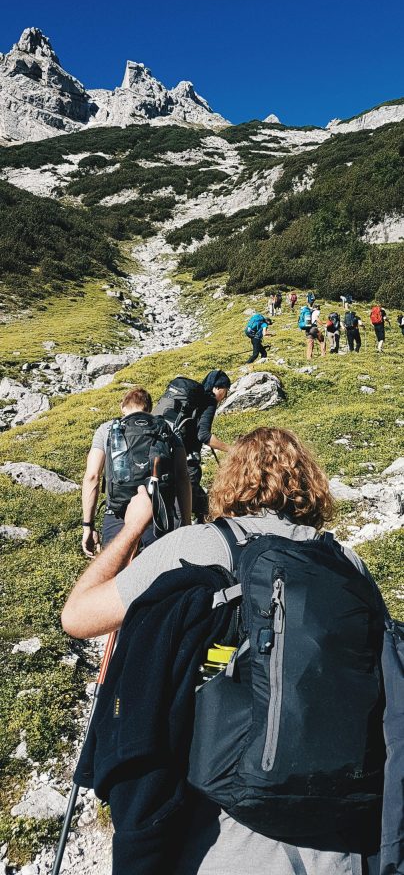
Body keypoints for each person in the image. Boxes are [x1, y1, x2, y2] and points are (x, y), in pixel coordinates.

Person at [62, 427, 383, 875]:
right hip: (343, 834)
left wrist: (135, 525)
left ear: (231, 482)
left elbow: (77, 617)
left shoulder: (204, 544)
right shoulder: (349, 564)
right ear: (311, 484)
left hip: (223, 833)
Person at [81, 385, 191, 556]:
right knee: (158, 572)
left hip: (118, 512)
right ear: (149, 409)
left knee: (114, 571)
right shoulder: (167, 428)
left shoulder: (107, 429)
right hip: (157, 513)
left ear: (122, 407)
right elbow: (183, 477)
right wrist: (186, 522)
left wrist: (88, 526)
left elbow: (92, 477)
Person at [156, 370, 231, 524]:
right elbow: (204, 435)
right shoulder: (209, 400)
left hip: (165, 451)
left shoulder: (192, 401)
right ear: (218, 388)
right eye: (226, 391)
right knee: (186, 500)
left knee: (188, 498)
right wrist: (233, 449)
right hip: (187, 460)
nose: (225, 396)